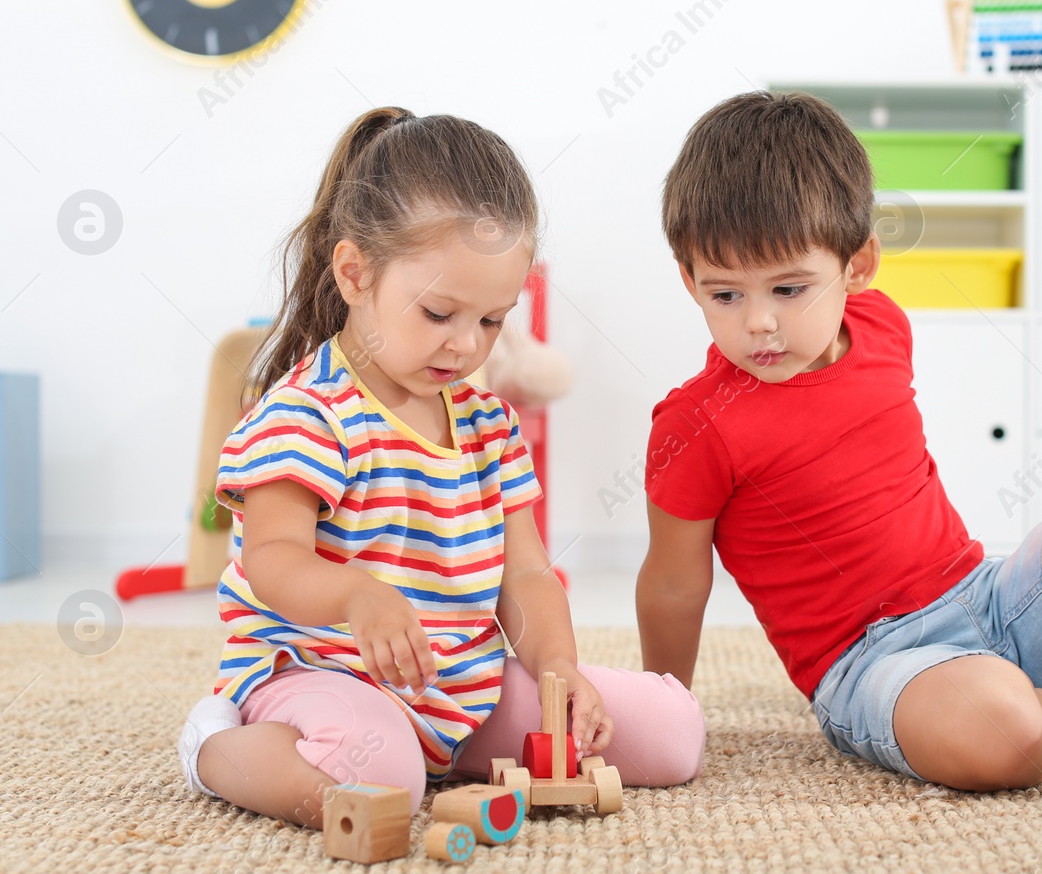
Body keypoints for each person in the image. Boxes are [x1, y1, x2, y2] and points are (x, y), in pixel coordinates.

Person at [635, 91, 1042, 806]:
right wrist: (662, 707)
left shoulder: (882, 325)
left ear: (858, 265)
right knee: (1002, 726)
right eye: (725, 295)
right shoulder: (696, 425)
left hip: (988, 597)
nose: (760, 323)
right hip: (875, 664)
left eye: (789, 287)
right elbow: (675, 583)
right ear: (689, 279)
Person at [176, 107, 703, 827]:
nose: (465, 345)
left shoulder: (488, 426)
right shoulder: (305, 414)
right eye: (438, 313)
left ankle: (437, 746)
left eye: (490, 321)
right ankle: (215, 748)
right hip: (316, 674)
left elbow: (525, 573)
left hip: (459, 686)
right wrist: (357, 596)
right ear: (356, 274)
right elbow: (271, 559)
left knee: (672, 734)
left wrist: (558, 669)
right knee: (382, 775)